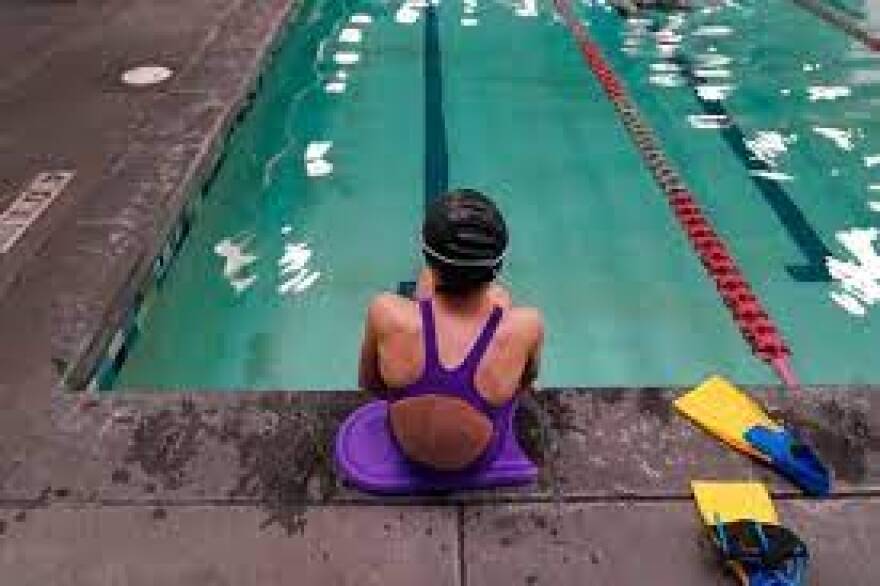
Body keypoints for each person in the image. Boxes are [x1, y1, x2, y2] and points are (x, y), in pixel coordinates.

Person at [358, 189, 544, 472]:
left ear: (427, 257)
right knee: (501, 301)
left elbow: (371, 384)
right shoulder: (528, 324)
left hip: (406, 447)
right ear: (498, 265)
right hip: (477, 457)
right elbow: (523, 385)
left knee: (423, 296)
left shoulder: (384, 312)